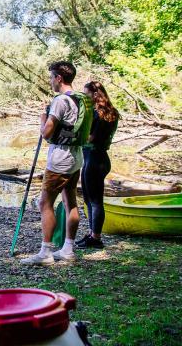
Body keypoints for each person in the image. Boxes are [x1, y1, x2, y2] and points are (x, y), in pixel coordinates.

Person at [22, 61, 92, 265]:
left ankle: (45, 253)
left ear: (59, 78)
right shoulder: (81, 99)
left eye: (51, 77)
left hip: (60, 159)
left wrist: (42, 118)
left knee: (45, 202)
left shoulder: (61, 101)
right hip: (76, 156)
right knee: (70, 201)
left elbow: (47, 132)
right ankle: (68, 250)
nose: (50, 81)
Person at [77, 81, 119, 249]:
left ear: (95, 94)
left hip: (94, 158)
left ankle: (96, 238)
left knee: (94, 201)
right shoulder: (111, 112)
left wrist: (74, 135)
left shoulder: (97, 114)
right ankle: (92, 232)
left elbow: (91, 138)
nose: (85, 97)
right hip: (98, 158)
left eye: (86, 94)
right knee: (88, 199)